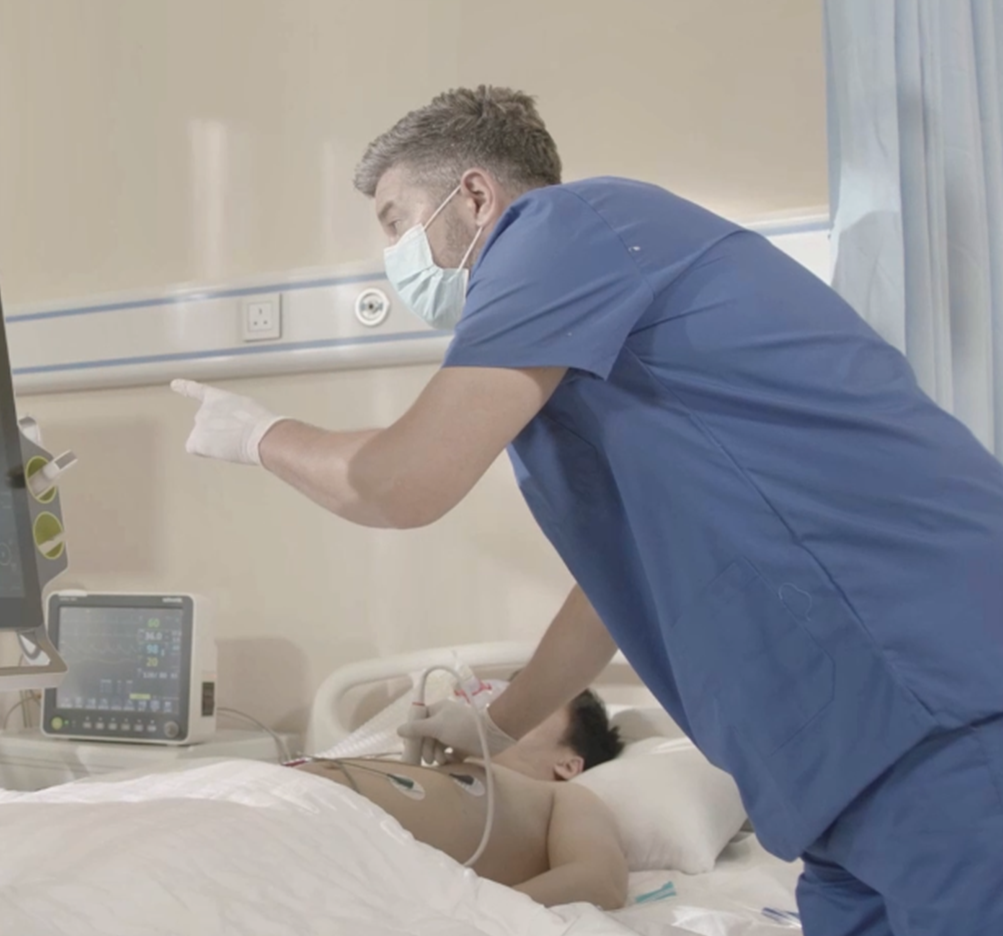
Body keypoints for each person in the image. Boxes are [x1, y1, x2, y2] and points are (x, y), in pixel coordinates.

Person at [173, 86, 1003, 935]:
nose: (391, 255)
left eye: (395, 222)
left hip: (929, 694)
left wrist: (262, 435)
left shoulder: (565, 228)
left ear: (474, 195)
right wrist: (497, 724)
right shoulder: (590, 335)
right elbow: (618, 589)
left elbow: (400, 481)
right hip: (841, 775)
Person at [294, 689, 628, 908]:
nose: (502, 710)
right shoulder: (445, 762)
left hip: (321, 843)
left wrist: (466, 915)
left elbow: (601, 881)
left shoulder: (564, 796)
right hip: (287, 798)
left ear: (568, 764)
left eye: (533, 709)